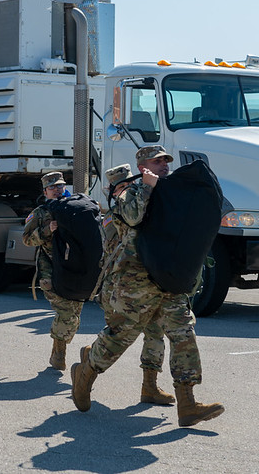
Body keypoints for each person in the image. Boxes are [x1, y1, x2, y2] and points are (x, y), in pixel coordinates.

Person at [71, 145, 224, 427]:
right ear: (144, 167)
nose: (165, 165)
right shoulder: (131, 192)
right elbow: (132, 217)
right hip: (136, 282)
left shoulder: (171, 192)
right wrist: (148, 187)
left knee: (183, 333)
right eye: (158, 161)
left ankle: (187, 404)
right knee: (120, 337)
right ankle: (86, 372)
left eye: (166, 161)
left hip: (168, 280)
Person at [95, 163, 176, 405]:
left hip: (148, 280)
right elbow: (131, 222)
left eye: (130, 184)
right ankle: (90, 365)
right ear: (112, 190)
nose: (127, 189)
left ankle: (149, 386)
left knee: (155, 333)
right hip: (122, 284)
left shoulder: (142, 198)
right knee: (120, 334)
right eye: (121, 186)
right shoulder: (116, 213)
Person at [22, 171, 83, 371]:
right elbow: (27, 239)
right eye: (52, 187)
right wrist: (48, 230)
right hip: (49, 271)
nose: (57, 190)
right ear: (45, 191)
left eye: (60, 186)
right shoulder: (39, 213)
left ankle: (59, 346)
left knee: (74, 313)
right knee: (65, 312)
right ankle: (59, 355)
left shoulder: (74, 207)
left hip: (72, 269)